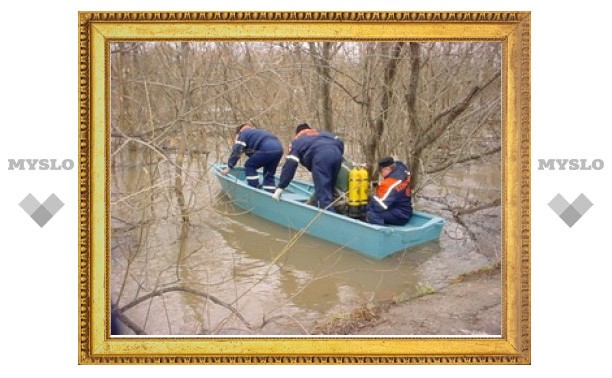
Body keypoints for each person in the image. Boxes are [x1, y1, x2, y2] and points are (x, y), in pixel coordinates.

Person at [273, 123, 344, 210]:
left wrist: (281, 186)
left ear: (298, 133)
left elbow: (291, 164)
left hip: (321, 158)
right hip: (337, 155)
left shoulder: (297, 141)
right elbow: (340, 142)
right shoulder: (324, 134)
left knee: (323, 197)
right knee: (329, 188)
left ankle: (329, 219)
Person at [222, 122, 283, 193]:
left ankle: (255, 188)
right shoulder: (257, 132)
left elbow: (237, 151)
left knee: (249, 165)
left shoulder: (243, 134)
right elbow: (253, 152)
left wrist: (229, 166)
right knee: (268, 173)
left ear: (239, 132)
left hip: (267, 149)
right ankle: (270, 192)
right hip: (279, 150)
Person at [366, 156, 413, 225]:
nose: (381, 175)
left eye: (381, 172)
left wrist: (370, 199)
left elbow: (381, 205)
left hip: (400, 215)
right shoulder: (401, 172)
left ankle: (381, 232)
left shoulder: (391, 182)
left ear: (387, 169)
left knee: (371, 213)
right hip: (405, 209)